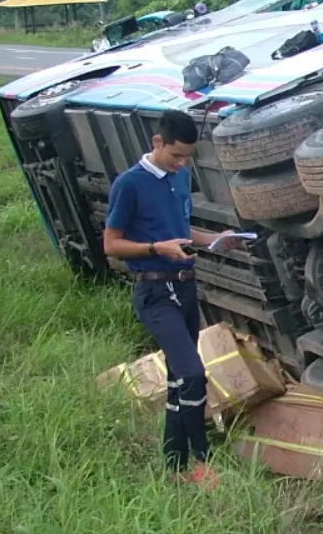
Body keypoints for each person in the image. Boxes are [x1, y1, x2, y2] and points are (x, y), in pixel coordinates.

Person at [101, 109, 243, 488]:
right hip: (154, 291)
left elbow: (180, 230)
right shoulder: (129, 185)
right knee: (194, 374)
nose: (182, 165)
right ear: (157, 143)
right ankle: (201, 460)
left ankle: (173, 462)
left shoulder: (178, 179)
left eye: (188, 158)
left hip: (185, 286)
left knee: (182, 379)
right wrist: (155, 248)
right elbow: (111, 244)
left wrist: (214, 239)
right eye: (176, 156)